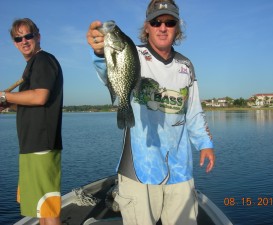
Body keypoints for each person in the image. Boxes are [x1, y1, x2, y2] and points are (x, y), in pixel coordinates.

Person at [86, 0, 215, 224]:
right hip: (139, 171)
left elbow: (193, 111)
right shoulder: (131, 53)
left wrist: (204, 144)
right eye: (156, 22)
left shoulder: (186, 65)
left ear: (177, 28)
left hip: (180, 169)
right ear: (147, 27)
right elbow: (108, 70)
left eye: (169, 22)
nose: (162, 27)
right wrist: (99, 51)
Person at [0, 18, 63, 225]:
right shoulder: (33, 65)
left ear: (38, 36)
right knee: (41, 208)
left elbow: (40, 97)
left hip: (41, 144)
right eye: (19, 38)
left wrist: (4, 96)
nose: (24, 41)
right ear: (15, 42)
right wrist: (9, 105)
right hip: (32, 145)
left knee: (49, 208)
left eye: (28, 35)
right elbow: (31, 103)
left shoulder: (43, 60)